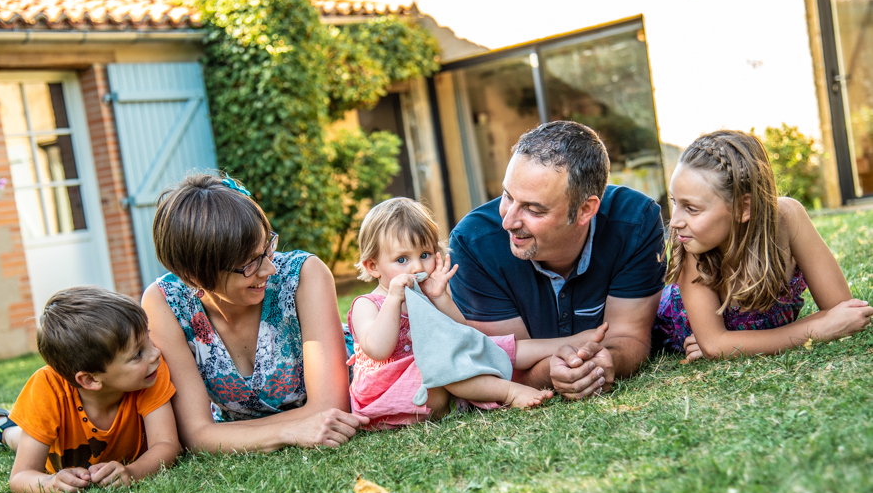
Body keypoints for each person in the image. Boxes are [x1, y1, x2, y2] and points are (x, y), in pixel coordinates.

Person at [143, 173, 367, 453]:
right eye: (249, 264)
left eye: (267, 249)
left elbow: (330, 407)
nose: (268, 269)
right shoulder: (164, 302)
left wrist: (227, 436)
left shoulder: (303, 275)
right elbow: (195, 434)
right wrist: (289, 431)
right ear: (193, 277)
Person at [448, 121, 666, 401]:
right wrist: (552, 374)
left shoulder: (635, 222)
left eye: (533, 209)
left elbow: (630, 338)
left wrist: (604, 362)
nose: (507, 221)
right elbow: (502, 365)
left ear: (586, 209)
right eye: (507, 196)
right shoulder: (474, 243)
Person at [348, 197, 606, 428]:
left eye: (425, 254)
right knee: (443, 360)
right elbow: (377, 349)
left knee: (487, 345)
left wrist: (440, 297)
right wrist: (394, 299)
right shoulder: (368, 304)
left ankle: (571, 341)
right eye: (402, 260)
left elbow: (464, 335)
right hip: (388, 391)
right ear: (373, 266)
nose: (417, 266)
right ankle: (509, 392)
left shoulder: (424, 296)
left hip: (437, 381)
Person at [652, 129, 873, 361]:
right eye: (675, 202)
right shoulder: (693, 246)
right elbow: (714, 345)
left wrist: (733, 343)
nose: (675, 222)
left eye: (691, 208)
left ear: (743, 208)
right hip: (658, 324)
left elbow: (845, 310)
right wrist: (817, 330)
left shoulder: (788, 218)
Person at [0, 287, 180, 493]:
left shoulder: (149, 375)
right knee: (19, 440)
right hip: (55, 452)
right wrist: (50, 483)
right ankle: (3, 428)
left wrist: (133, 472)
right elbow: (20, 477)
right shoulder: (48, 388)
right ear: (91, 379)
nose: (156, 353)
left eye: (147, 338)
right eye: (138, 353)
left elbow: (166, 444)